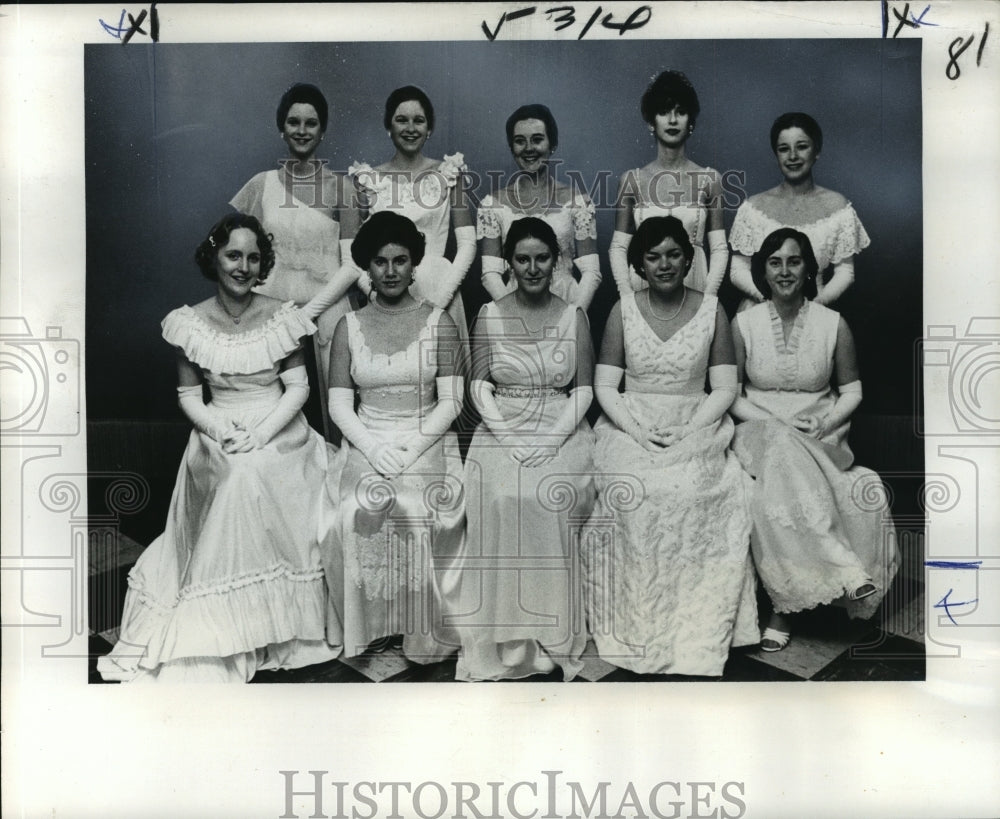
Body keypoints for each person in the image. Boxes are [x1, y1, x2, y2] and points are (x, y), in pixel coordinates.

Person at [98, 214, 340, 683]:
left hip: (280, 430)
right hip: (218, 430)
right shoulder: (190, 323)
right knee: (235, 473)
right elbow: (190, 396)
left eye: (253, 257)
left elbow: (297, 389)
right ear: (215, 258)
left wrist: (261, 433)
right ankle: (218, 629)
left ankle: (272, 628)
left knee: (250, 473)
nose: (243, 266)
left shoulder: (283, 315)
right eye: (233, 255)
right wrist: (221, 430)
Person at [583, 215, 758, 677]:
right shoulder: (623, 309)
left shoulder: (711, 308)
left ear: (689, 258)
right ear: (639, 263)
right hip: (632, 421)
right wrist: (638, 431)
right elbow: (604, 385)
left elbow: (723, 388)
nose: (664, 264)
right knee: (636, 494)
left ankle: (694, 627)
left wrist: (688, 430)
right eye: (654, 256)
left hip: (696, 421)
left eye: (674, 254)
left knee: (697, 491)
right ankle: (639, 625)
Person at [729, 228, 899, 652]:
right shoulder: (743, 323)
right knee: (781, 447)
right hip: (757, 433)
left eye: (794, 261)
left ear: (809, 269)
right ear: (763, 271)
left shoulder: (833, 324)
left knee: (793, 456)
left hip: (820, 435)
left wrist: (822, 426)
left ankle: (783, 610)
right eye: (775, 262)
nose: (784, 271)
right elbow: (729, 394)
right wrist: (776, 424)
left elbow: (853, 391)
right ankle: (842, 569)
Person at [455, 218, 596, 681]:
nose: (532, 268)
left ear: (556, 261)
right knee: (501, 496)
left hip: (561, 425)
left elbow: (584, 391)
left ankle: (548, 636)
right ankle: (506, 640)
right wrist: (512, 439)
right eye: (522, 259)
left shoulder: (574, 314)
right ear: (509, 263)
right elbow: (478, 386)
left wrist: (550, 440)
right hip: (501, 428)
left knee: (544, 497)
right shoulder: (490, 315)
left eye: (541, 258)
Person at [325, 211, 466, 661]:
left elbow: (451, 402)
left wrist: (411, 447)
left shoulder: (439, 322)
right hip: (367, 437)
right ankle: (372, 624)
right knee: (356, 507)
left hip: (425, 437)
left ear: (414, 264)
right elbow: (339, 404)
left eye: (400, 261)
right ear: (367, 266)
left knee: (415, 507)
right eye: (380, 262)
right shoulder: (348, 326)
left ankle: (417, 627)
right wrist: (372, 448)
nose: (390, 272)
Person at [230, 82, 362, 440]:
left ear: (323, 130)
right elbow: (238, 251)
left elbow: (352, 265)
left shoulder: (342, 187)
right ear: (281, 128)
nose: (302, 131)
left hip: (330, 304)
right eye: (294, 122)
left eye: (311, 123)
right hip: (274, 306)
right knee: (270, 402)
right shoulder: (262, 184)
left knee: (338, 404)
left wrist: (308, 313)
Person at [348, 85, 475, 349]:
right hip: (387, 288)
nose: (410, 128)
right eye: (401, 120)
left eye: (419, 121)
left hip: (439, 287)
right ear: (388, 127)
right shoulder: (367, 180)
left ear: (429, 129)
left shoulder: (449, 173)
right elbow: (354, 251)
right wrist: (373, 293)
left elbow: (467, 245)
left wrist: (441, 299)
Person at [728, 112, 870, 307]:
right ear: (776, 154)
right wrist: (767, 300)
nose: (793, 156)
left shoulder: (837, 206)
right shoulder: (753, 207)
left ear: (817, 151)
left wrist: (814, 308)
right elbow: (738, 269)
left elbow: (845, 272)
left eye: (802, 147)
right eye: (784, 149)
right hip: (760, 309)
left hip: (816, 310)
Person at [609, 70, 728, 298]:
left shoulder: (709, 180)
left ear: (690, 122)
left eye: (681, 112)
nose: (673, 120)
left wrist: (708, 299)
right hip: (642, 289)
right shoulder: (631, 180)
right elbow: (618, 248)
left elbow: (720, 249)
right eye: (664, 112)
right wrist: (627, 297)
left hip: (695, 286)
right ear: (652, 122)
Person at [477, 103, 602, 311]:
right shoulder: (492, 205)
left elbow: (591, 272)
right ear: (512, 148)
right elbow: (490, 274)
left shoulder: (578, 202)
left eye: (537, 140)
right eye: (519, 141)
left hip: (568, 302)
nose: (528, 149)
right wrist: (513, 314)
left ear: (552, 144)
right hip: (514, 304)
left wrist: (574, 315)